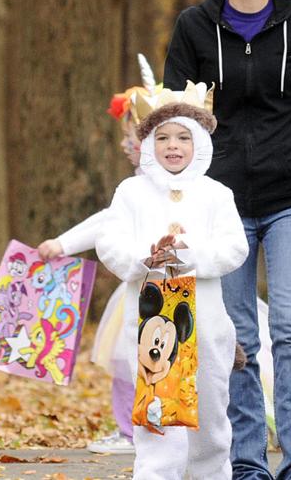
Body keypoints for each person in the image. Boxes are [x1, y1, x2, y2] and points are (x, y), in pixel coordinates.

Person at [162, 0, 291, 480]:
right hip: (218, 205)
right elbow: (173, 119)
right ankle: (245, 461)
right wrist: (168, 188)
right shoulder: (194, 25)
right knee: (232, 338)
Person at [96, 92, 248, 479]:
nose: (173, 146)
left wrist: (190, 254)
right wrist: (144, 258)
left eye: (183, 137)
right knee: (156, 411)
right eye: (163, 138)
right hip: (149, 321)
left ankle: (210, 473)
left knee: (211, 407)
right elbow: (109, 243)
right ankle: (156, 474)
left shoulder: (217, 194)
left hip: (207, 321)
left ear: (199, 143)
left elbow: (235, 248)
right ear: (148, 144)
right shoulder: (131, 193)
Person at [37, 79, 148, 455]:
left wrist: (63, 243)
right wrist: (63, 244)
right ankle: (130, 430)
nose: (123, 144)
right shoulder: (133, 187)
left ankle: (151, 429)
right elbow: (107, 221)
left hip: (170, 284)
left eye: (130, 136)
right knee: (123, 355)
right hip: (135, 283)